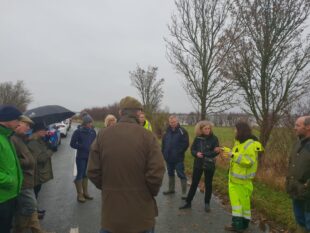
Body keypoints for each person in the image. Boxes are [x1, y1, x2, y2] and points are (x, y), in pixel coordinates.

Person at [87, 96, 165, 233]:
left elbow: (93, 171)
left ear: (120, 112)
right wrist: (148, 192)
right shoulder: (148, 136)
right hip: (142, 215)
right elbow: (157, 172)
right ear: (138, 113)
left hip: (111, 214)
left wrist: (108, 188)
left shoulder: (102, 135)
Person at [222, 121, 263, 233]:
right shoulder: (239, 142)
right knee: (243, 204)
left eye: (235, 129)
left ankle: (237, 226)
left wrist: (233, 155)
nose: (234, 131)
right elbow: (238, 156)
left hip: (240, 181)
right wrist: (229, 152)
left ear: (240, 130)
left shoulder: (249, 144)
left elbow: (249, 161)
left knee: (237, 205)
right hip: (237, 180)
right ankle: (244, 224)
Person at [11, 115, 49, 233]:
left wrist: (45, 142)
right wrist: (28, 160)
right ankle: (19, 229)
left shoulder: (21, 138)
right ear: (18, 123)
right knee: (30, 207)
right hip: (23, 181)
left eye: (29, 126)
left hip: (29, 179)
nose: (28, 128)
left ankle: (37, 230)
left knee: (31, 208)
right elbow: (13, 160)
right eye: (26, 125)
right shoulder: (13, 139)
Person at [179, 121, 220, 212]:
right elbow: (192, 149)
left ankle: (207, 203)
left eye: (209, 128)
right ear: (201, 129)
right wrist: (196, 153)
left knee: (208, 184)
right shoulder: (198, 138)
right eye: (205, 129)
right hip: (198, 164)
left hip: (209, 164)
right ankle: (188, 202)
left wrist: (204, 154)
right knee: (194, 183)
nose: (207, 130)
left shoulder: (214, 139)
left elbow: (216, 151)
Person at [0, 105, 23, 233]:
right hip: (2, 198)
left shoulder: (6, 137)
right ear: (7, 119)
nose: (19, 123)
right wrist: (10, 180)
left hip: (10, 195)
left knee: (7, 227)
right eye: (16, 120)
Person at [286, 116, 310, 233]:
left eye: (298, 125)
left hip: (307, 196)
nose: (294, 128)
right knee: (300, 222)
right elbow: (292, 164)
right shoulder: (298, 143)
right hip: (297, 192)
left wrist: (306, 186)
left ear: (308, 127)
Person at [27, 122, 54, 219]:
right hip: (35, 173)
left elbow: (43, 151)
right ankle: (33, 214)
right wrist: (51, 150)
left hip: (39, 172)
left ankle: (35, 210)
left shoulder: (40, 140)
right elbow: (41, 158)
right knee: (34, 193)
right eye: (43, 130)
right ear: (37, 131)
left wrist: (47, 143)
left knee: (36, 192)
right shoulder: (33, 142)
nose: (45, 131)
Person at [70, 114, 96, 203]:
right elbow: (72, 144)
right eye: (89, 123)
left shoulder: (93, 131)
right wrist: (82, 146)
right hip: (81, 157)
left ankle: (86, 193)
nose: (90, 124)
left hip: (89, 156)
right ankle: (79, 195)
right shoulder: (78, 132)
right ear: (85, 123)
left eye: (91, 122)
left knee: (86, 175)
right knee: (80, 175)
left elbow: (95, 143)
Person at [161, 115, 189, 199]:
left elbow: (185, 144)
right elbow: (163, 143)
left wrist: (178, 152)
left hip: (178, 158)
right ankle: (171, 189)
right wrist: (163, 152)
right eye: (170, 122)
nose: (172, 123)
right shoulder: (166, 131)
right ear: (169, 122)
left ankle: (184, 193)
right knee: (170, 173)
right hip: (168, 158)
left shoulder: (182, 131)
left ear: (177, 121)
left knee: (181, 174)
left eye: (173, 122)